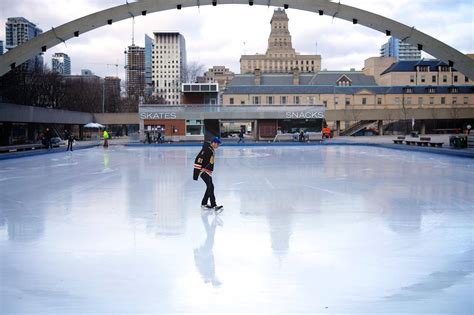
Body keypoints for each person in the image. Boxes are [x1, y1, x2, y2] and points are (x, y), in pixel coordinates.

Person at [193, 136, 223, 212]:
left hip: (207, 171)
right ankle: (214, 205)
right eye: (217, 144)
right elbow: (198, 159)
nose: (218, 146)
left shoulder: (210, 149)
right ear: (213, 143)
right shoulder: (206, 149)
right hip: (204, 171)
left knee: (210, 187)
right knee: (210, 187)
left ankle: (204, 203)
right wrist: (198, 171)